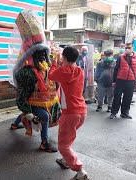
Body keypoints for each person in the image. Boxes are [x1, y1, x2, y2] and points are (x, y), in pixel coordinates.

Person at [11, 10, 61, 153]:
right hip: (31, 101)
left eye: (44, 54)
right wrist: (28, 112)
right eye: (40, 54)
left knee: (51, 111)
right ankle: (44, 142)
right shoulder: (27, 73)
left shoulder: (45, 68)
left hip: (43, 100)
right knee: (44, 115)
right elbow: (21, 97)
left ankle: (15, 124)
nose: (44, 57)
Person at [48, 46, 89, 180]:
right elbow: (66, 71)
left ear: (64, 58)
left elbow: (51, 75)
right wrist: (61, 62)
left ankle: (80, 171)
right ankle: (66, 160)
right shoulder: (80, 71)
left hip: (70, 113)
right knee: (68, 137)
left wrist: (54, 62)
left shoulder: (62, 70)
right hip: (82, 112)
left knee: (63, 145)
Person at [109, 42, 136, 119]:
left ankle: (125, 113)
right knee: (117, 97)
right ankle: (114, 112)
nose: (127, 49)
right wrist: (114, 81)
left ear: (132, 48)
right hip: (120, 80)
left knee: (128, 97)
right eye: (126, 48)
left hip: (131, 81)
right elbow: (116, 70)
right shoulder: (120, 57)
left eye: (129, 48)